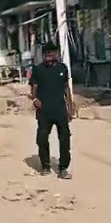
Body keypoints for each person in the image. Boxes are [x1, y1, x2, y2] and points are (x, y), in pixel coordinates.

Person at [29, 41, 75, 179]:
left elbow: (66, 87)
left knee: (65, 138)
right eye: (46, 55)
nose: (48, 57)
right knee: (42, 139)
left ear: (55, 54)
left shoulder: (62, 68)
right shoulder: (38, 69)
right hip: (44, 110)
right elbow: (34, 87)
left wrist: (70, 106)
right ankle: (45, 165)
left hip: (60, 109)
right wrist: (34, 99)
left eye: (51, 54)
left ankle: (63, 168)